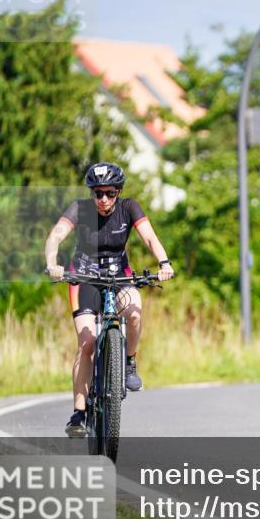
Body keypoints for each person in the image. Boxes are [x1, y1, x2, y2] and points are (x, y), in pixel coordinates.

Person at [44, 162, 174, 437]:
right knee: (87, 342)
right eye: (98, 193)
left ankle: (128, 363)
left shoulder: (129, 208)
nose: (103, 199)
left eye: (110, 193)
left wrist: (163, 262)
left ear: (118, 192)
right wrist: (52, 262)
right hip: (85, 277)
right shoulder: (80, 208)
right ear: (91, 193)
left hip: (119, 276)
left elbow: (149, 237)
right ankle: (78, 414)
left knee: (135, 312)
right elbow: (56, 234)